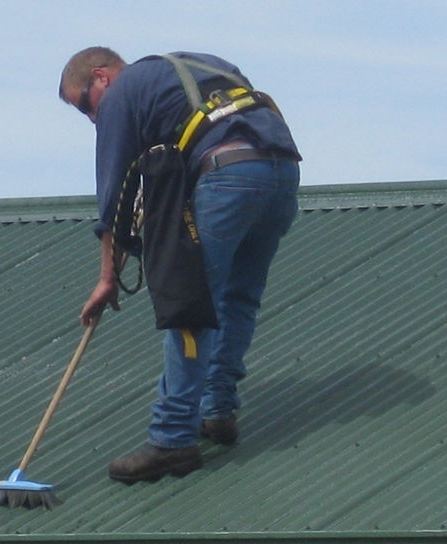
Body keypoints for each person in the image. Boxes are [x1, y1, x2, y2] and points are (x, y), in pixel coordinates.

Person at [58, 47, 301, 483]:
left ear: (101, 78)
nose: (92, 119)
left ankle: (172, 439)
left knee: (189, 303)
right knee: (237, 298)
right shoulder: (202, 65)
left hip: (227, 175)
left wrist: (107, 277)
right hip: (281, 172)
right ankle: (218, 411)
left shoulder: (120, 95)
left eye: (83, 106)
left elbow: (113, 192)